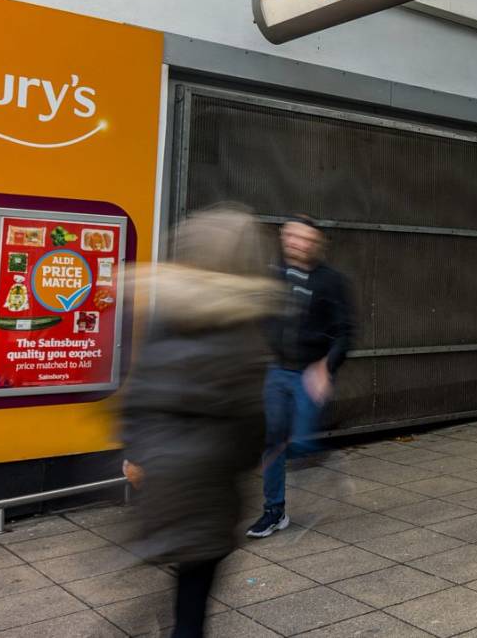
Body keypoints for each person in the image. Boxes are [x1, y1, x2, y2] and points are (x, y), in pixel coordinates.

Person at [120, 206, 283, 638]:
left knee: (180, 576)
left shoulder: (164, 308)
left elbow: (138, 392)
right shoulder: (240, 323)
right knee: (194, 593)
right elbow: (250, 422)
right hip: (209, 481)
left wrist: (138, 454)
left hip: (161, 474)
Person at [247, 216, 353, 538]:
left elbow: (346, 332)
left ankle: (322, 457)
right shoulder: (272, 274)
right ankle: (274, 511)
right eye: (293, 236)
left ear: (316, 243)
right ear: (284, 237)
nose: (298, 243)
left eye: (307, 239)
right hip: (278, 370)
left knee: (302, 442)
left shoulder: (331, 281)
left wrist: (326, 365)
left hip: (310, 372)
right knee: (273, 440)